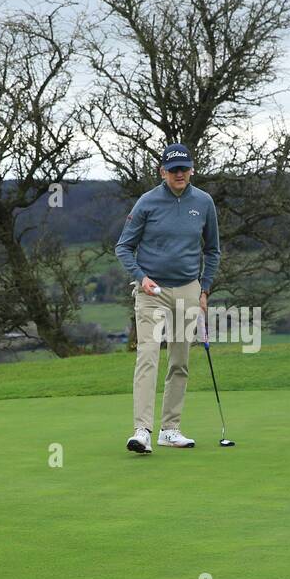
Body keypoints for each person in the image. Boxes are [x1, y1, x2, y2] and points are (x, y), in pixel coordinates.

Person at [114, 144, 221, 454]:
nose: (180, 174)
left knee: (180, 361)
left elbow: (212, 249)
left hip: (188, 289)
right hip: (152, 290)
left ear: (191, 169)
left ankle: (170, 429)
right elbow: (124, 246)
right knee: (148, 355)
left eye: (184, 169)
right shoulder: (147, 202)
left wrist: (204, 289)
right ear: (162, 171)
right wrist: (140, 277)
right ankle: (142, 430)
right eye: (173, 170)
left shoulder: (203, 202)